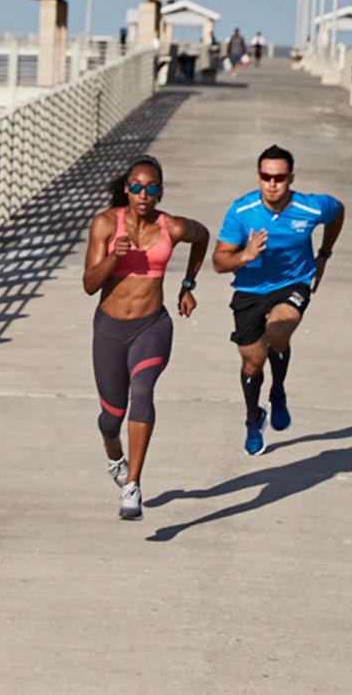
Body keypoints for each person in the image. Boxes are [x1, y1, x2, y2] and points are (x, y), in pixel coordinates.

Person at [83, 156, 210, 520]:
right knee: (111, 418)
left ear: (159, 192)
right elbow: (90, 285)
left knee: (142, 392)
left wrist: (188, 284)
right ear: (127, 188)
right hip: (109, 330)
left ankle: (133, 486)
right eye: (136, 187)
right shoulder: (106, 224)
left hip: (152, 326)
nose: (143, 194)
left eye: (151, 188)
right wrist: (113, 259)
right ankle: (115, 458)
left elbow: (202, 237)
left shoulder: (171, 226)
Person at [211, 144, 345, 456]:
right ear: (258, 177)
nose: (272, 184)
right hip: (250, 290)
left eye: (280, 177)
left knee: (279, 327)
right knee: (252, 362)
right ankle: (253, 417)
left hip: (293, 283)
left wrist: (324, 253)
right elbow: (218, 262)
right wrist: (244, 255)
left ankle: (278, 391)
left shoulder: (311, 207)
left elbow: (338, 211)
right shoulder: (241, 211)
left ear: (291, 178)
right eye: (266, 176)